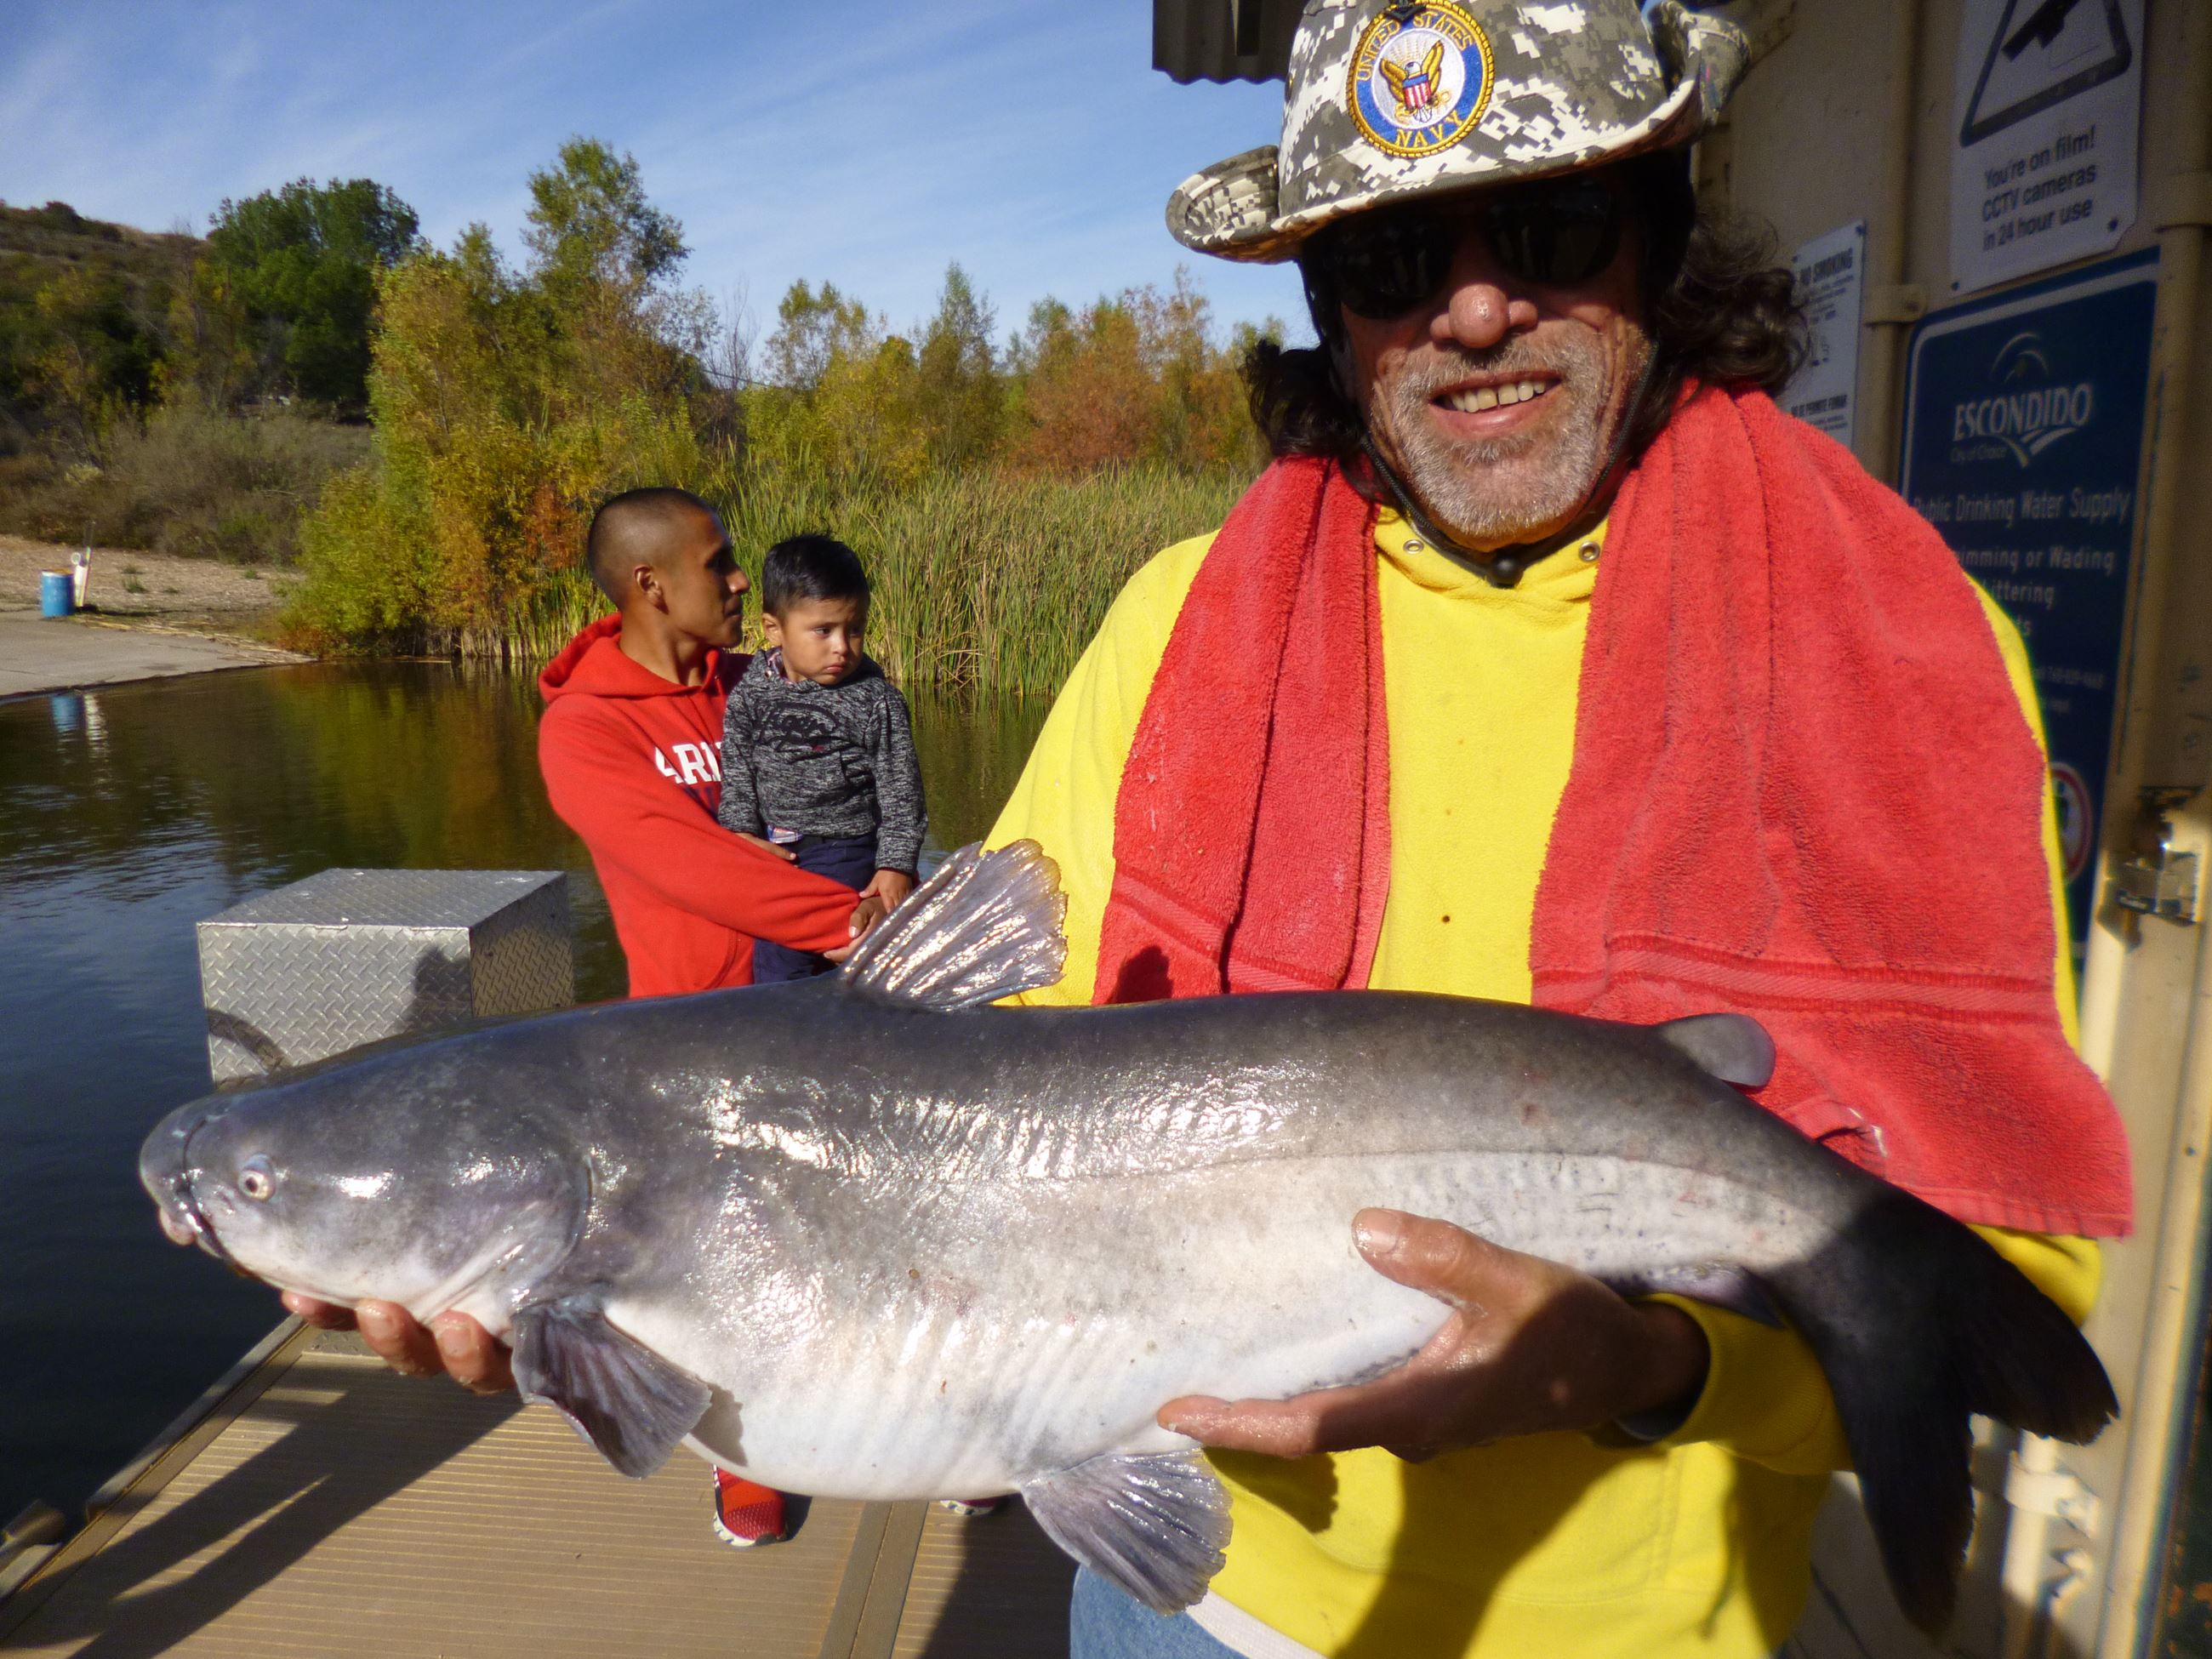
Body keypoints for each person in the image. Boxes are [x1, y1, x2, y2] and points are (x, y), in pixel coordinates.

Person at [983, 3, 2131, 1655]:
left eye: (1549, 227)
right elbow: (993, 1081)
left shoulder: (1899, 650)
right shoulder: (1172, 628)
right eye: (1390, 257)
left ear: (1658, 241)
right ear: (1329, 311)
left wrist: (1657, 1366)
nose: (1471, 309)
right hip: (1200, 1599)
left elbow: (1995, 1254)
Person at [287, 485, 887, 1551]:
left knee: (855, 1238)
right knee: (718, 1273)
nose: (739, 579)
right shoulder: (587, 730)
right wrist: (870, 926)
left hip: (827, 1013)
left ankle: (934, 1425)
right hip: (690, 1047)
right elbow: (696, 867)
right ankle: (743, 1457)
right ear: (650, 583)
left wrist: (896, 878)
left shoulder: (760, 682)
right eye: (718, 562)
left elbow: (858, 786)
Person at [720, 534, 926, 982]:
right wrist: (739, 834)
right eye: (823, 630)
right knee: (769, 955)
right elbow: (737, 772)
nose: (842, 647)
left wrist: (895, 865)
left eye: (855, 629)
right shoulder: (751, 693)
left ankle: (795, 1022)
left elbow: (901, 794)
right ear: (774, 629)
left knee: (786, 959)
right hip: (774, 851)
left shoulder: (875, 700)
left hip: (843, 849)